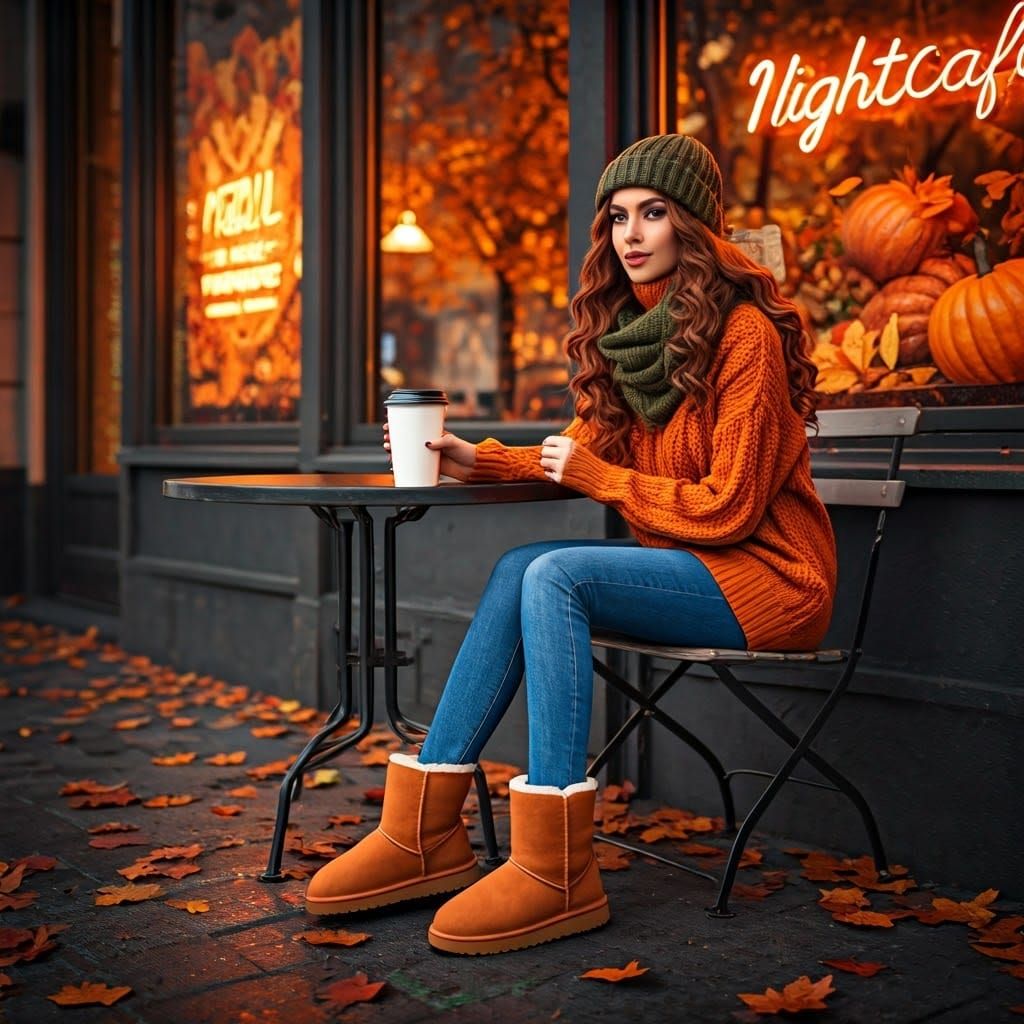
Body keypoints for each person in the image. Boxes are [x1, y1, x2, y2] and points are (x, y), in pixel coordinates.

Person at [305, 134, 837, 955]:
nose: (632, 234)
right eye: (618, 216)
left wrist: (606, 478)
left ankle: (556, 869)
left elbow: (729, 507)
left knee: (555, 575)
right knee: (521, 567)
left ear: (692, 224)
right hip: (695, 570)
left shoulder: (746, 339)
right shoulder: (639, 336)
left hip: (772, 581)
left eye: (653, 213)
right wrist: (475, 459)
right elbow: (578, 447)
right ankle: (422, 835)